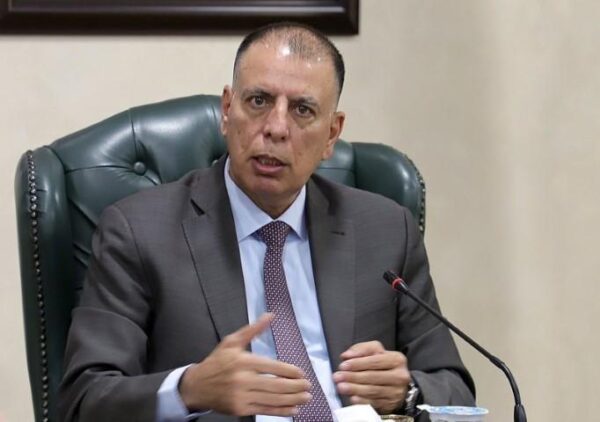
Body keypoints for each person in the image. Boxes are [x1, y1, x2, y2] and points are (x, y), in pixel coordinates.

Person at [59, 22, 475, 422]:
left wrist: (407, 393)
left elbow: (456, 391)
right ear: (227, 110)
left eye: (302, 110)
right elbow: (84, 401)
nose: (276, 128)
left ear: (332, 134)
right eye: (258, 101)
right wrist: (189, 389)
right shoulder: (138, 231)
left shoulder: (385, 230)